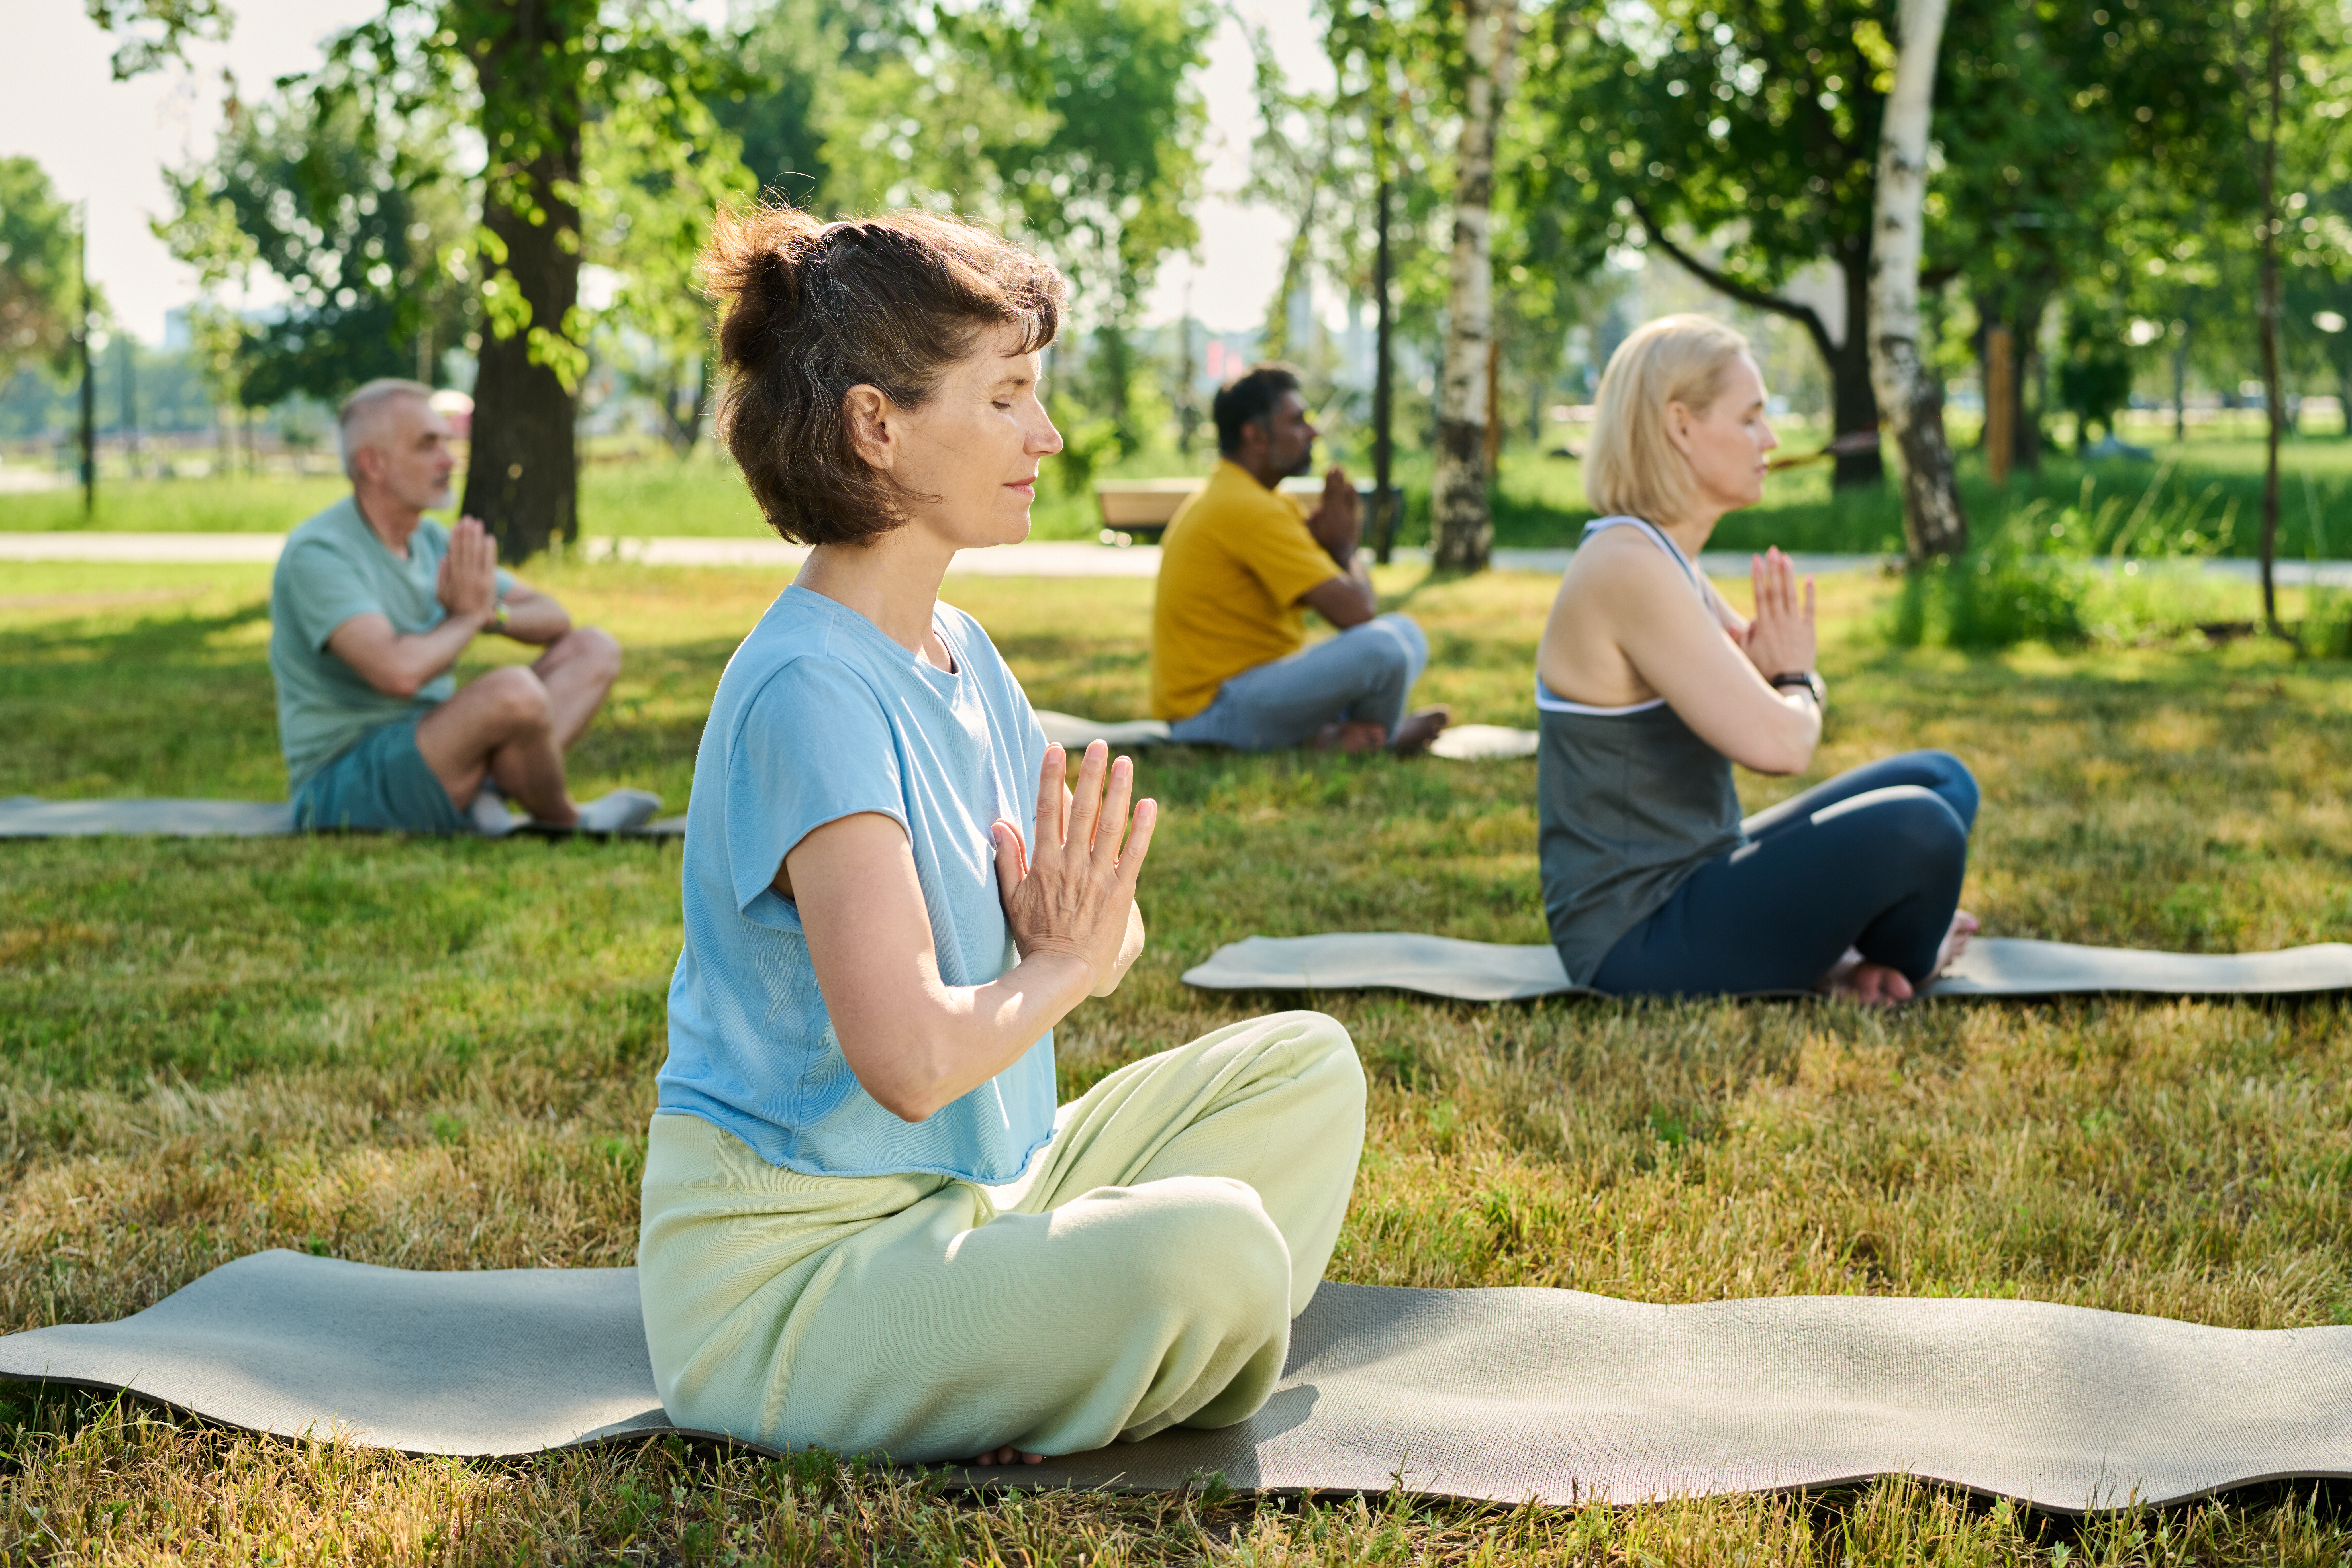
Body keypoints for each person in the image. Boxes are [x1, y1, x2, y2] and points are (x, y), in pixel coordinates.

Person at [638, 206, 1366, 1467]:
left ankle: (1047, 1348)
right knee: (1218, 1247)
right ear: (878, 424)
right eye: (1009, 396)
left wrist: (1068, 953)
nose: (1049, 434)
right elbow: (917, 1058)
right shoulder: (812, 688)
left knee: (1306, 1067)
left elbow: (1108, 929)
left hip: (986, 1186)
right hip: (804, 1279)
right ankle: (1065, 1352)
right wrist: (1058, 966)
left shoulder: (961, 652)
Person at [1534, 315, 1979, 1004]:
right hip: (1636, 942)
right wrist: (1798, 678)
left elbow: (1768, 694)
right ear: (1680, 426)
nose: (1770, 440)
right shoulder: (1627, 566)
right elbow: (1781, 742)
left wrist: (1787, 679)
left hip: (1701, 873)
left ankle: (1849, 958)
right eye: (1750, 419)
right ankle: (1903, 958)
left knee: (1942, 780)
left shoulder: (1663, 557)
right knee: (1921, 828)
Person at [267, 379, 660, 834]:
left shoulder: (432, 541)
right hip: (345, 786)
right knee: (513, 691)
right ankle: (571, 819)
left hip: (434, 745)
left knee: (594, 648)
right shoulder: (320, 553)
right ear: (373, 464)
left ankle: (484, 795)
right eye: (428, 445)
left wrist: (492, 614)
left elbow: (555, 617)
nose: (449, 460)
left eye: (447, 442)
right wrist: (468, 617)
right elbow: (398, 672)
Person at [1148, 364, 1449, 754]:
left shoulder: (1255, 498)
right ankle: (1378, 740)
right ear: (1255, 436)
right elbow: (1357, 612)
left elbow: (1340, 600)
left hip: (1247, 692)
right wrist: (1345, 551)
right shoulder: (1249, 508)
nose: (1314, 432)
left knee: (1405, 633)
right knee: (1385, 648)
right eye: (1297, 421)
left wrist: (1333, 548)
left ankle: (1339, 734)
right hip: (1212, 714)